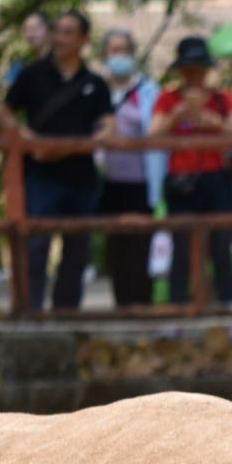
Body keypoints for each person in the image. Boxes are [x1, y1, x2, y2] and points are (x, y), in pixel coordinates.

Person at [0, 9, 114, 312]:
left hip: (81, 178)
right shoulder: (32, 74)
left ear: (83, 39)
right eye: (57, 31)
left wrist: (85, 143)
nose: (60, 38)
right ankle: (30, 313)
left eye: (68, 32)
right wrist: (27, 139)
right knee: (35, 247)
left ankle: (67, 315)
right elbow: (4, 113)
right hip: (41, 175)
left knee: (76, 251)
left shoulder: (95, 83)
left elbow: (107, 124)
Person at [149, 36, 232, 306]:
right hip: (181, 180)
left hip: (216, 178)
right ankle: (179, 308)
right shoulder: (168, 99)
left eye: (199, 69)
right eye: (188, 70)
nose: (194, 76)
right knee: (181, 249)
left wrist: (214, 123)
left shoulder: (223, 99)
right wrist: (177, 116)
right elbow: (152, 135)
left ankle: (227, 305)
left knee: (221, 247)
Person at [96, 28, 164, 308]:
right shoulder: (96, 90)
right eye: (114, 51)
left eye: (125, 50)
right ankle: (121, 304)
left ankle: (142, 303)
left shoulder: (149, 92)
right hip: (108, 182)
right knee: (116, 245)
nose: (120, 56)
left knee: (140, 244)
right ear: (105, 55)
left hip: (141, 181)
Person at [5, 11, 52, 88]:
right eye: (26, 30)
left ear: (49, 30)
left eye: (34, 29)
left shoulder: (62, 63)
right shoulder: (21, 66)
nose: (29, 35)